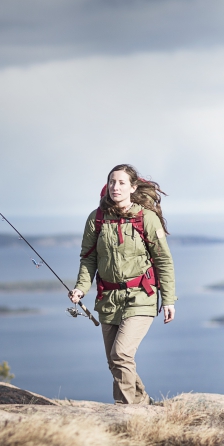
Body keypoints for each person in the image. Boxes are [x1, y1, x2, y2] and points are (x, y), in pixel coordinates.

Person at [70, 165, 176, 405]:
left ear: (133, 187)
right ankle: (144, 404)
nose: (115, 187)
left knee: (121, 354)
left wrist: (168, 299)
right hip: (108, 298)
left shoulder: (146, 218)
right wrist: (80, 288)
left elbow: (163, 260)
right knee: (115, 361)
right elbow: (88, 258)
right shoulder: (96, 218)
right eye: (111, 182)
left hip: (141, 295)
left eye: (121, 183)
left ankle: (127, 414)